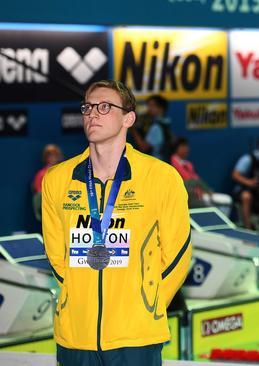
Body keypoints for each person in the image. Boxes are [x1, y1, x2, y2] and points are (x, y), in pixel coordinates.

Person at [41, 80, 192, 366]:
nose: (92, 114)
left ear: (128, 118)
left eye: (104, 107)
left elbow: (177, 254)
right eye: (88, 107)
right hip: (75, 335)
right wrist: (78, 296)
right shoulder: (57, 179)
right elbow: (57, 256)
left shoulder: (161, 177)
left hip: (136, 337)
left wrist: (148, 304)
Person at [171, 137, 232, 212]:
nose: (187, 149)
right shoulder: (172, 163)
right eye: (184, 146)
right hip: (188, 196)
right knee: (221, 203)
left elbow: (196, 179)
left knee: (227, 200)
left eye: (187, 146)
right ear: (177, 148)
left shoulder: (188, 164)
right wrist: (194, 189)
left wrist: (205, 190)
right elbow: (185, 182)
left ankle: (221, 223)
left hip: (200, 194)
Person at [231, 135, 259, 230]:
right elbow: (235, 175)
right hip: (247, 189)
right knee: (246, 196)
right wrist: (249, 182)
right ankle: (247, 227)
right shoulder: (248, 159)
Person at [131, 94, 174, 162]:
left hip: (157, 164)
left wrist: (133, 129)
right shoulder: (165, 123)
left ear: (161, 109)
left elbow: (143, 147)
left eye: (152, 106)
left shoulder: (156, 127)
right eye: (148, 105)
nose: (149, 108)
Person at [32, 144, 64, 221]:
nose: (53, 158)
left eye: (55, 155)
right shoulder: (41, 174)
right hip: (48, 208)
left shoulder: (64, 172)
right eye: (50, 156)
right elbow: (39, 195)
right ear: (46, 158)